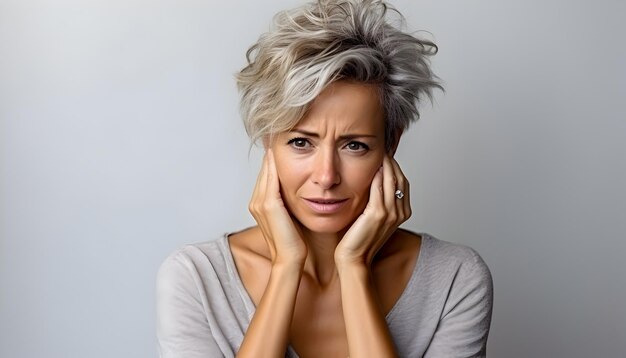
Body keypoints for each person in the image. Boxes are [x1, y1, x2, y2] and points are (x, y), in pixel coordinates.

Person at [156, 0, 493, 357]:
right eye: (301, 142)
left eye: (355, 145)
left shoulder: (455, 279)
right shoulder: (196, 279)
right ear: (268, 140)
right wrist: (286, 267)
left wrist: (354, 268)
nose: (327, 176)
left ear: (391, 143)